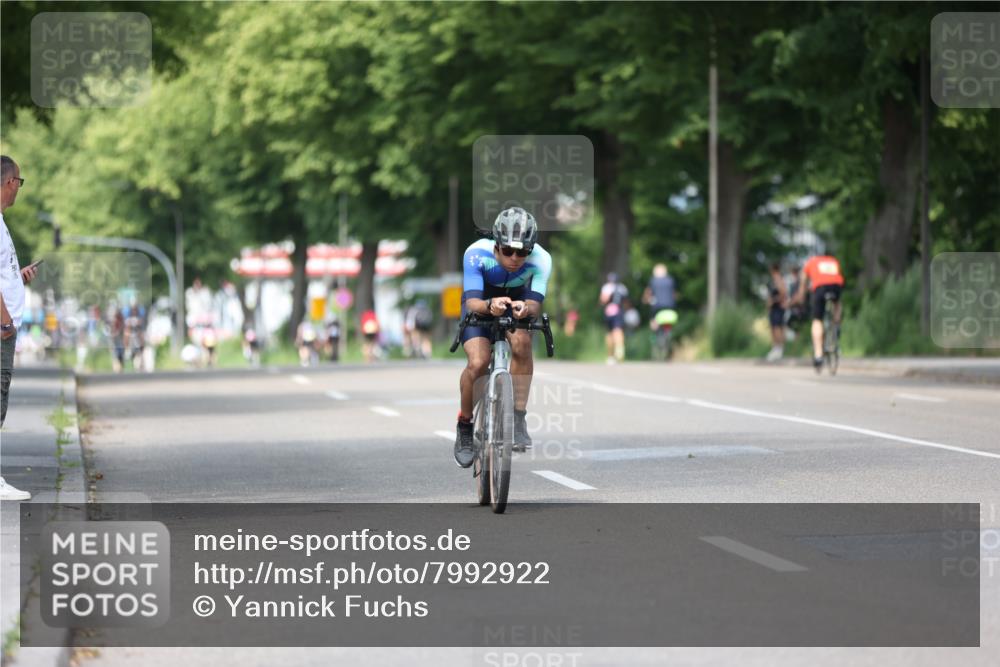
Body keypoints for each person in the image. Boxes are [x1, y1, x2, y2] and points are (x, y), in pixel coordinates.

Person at [454, 207, 551, 468]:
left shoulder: (542, 259)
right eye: (508, 250)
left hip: (516, 299)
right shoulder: (476, 254)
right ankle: (464, 425)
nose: (515, 258)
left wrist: (525, 308)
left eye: (523, 252)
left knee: (522, 342)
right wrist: (489, 306)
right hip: (482, 300)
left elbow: (534, 304)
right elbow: (473, 302)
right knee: (478, 362)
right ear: (496, 244)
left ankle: (517, 417)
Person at [1, 155, 38, 501]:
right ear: (10, 182)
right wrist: (4, 321)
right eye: (19, 182)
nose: (19, 190)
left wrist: (18, 276)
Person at [793, 254, 845, 371]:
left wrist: (801, 297)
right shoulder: (833, 260)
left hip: (820, 287)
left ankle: (818, 355)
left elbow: (803, 282)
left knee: (817, 320)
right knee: (837, 303)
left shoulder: (810, 262)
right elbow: (838, 276)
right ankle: (837, 324)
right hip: (836, 286)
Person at [599, 272, 629, 364]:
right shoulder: (622, 288)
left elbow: (602, 300)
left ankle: (610, 356)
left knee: (609, 334)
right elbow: (626, 302)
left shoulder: (606, 287)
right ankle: (619, 350)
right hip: (619, 312)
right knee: (619, 331)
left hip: (609, 312)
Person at [765, 262, 788, 361]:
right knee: (773, 328)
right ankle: (775, 348)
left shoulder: (778, 279)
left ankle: (779, 348)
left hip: (778, 307)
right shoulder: (774, 280)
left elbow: (783, 293)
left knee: (778, 327)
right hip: (774, 308)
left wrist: (773, 301)